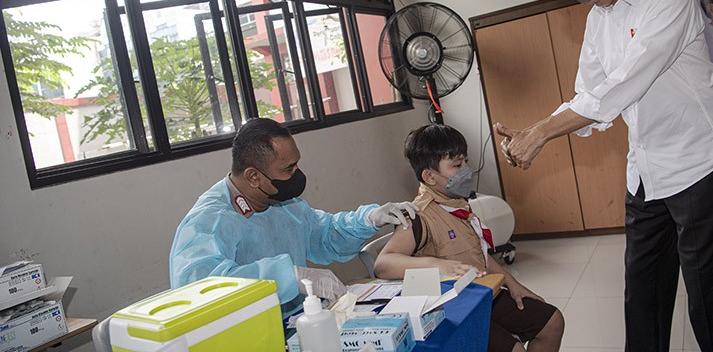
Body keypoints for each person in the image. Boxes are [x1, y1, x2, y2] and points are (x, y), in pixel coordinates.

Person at [493, 0, 713, 352]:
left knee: (709, 293)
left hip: (700, 159)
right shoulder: (598, 17)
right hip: (645, 169)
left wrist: (544, 132)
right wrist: (537, 129)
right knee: (642, 292)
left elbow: (627, 83)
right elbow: (589, 93)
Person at [169, 117, 418, 318]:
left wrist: (369, 219)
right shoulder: (210, 221)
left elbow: (324, 235)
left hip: (298, 322)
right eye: (289, 169)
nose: (297, 175)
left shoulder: (284, 203)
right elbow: (199, 289)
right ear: (253, 176)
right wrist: (289, 277)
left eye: (297, 164)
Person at [373, 124, 564, 352]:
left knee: (552, 322)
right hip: (452, 310)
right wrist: (438, 265)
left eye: (465, 162)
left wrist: (513, 285)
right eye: (456, 165)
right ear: (430, 177)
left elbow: (478, 254)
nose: (466, 170)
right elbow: (383, 265)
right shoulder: (418, 216)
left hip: (482, 294)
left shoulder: (456, 205)